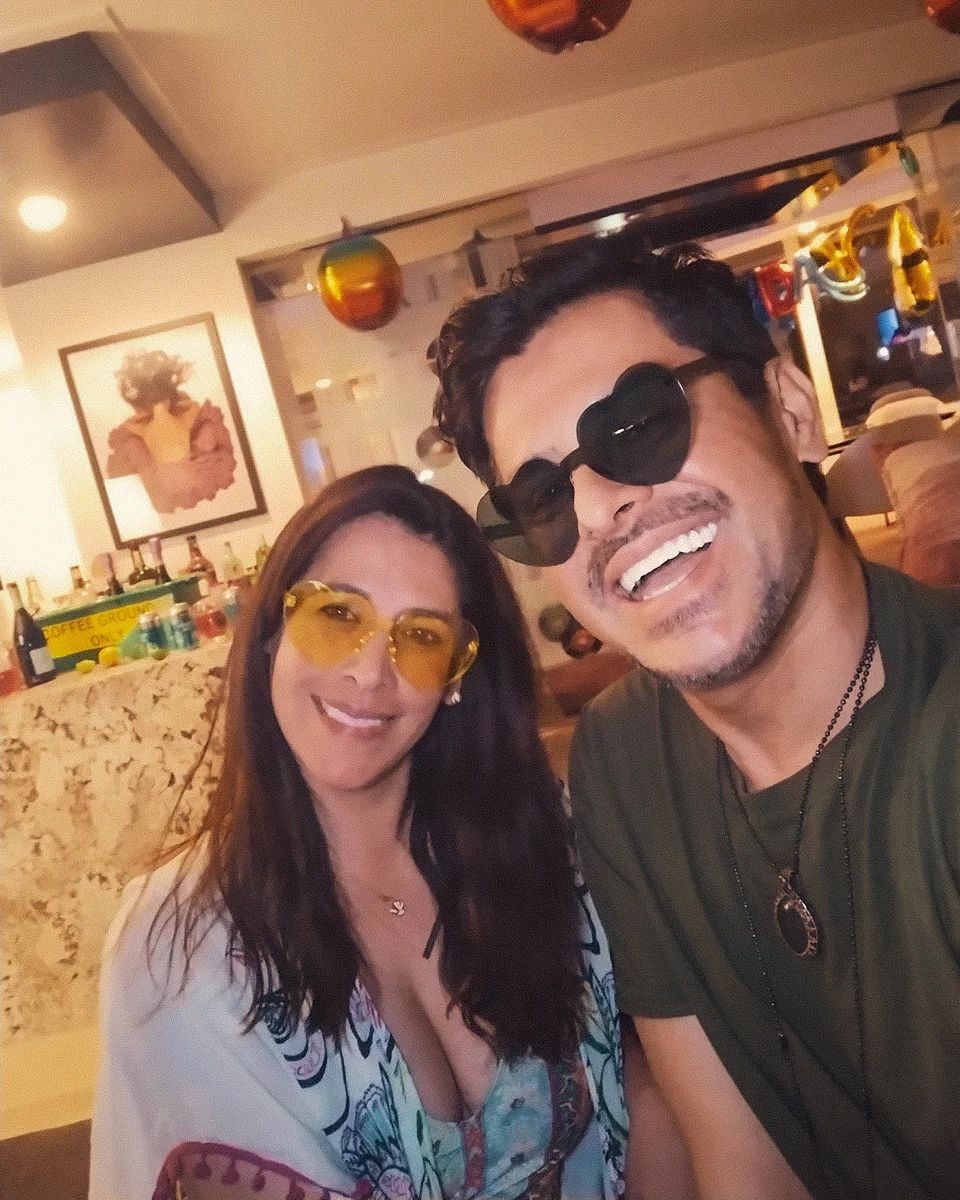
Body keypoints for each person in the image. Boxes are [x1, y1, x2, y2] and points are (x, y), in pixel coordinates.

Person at [430, 234, 960, 1200]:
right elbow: (742, 1163)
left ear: (790, 410)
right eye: (542, 497)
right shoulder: (625, 761)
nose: (597, 509)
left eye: (637, 422)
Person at [90, 465, 628, 1200]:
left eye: (422, 636)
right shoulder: (181, 948)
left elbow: (647, 1082)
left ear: (457, 675)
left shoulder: (540, 836)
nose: (371, 672)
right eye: (337, 615)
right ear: (271, 633)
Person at [106, 348, 236, 512]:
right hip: (175, 468)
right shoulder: (174, 422)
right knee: (207, 432)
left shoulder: (147, 428)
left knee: (206, 435)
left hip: (171, 470)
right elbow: (193, 409)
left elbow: (132, 427)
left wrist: (141, 419)